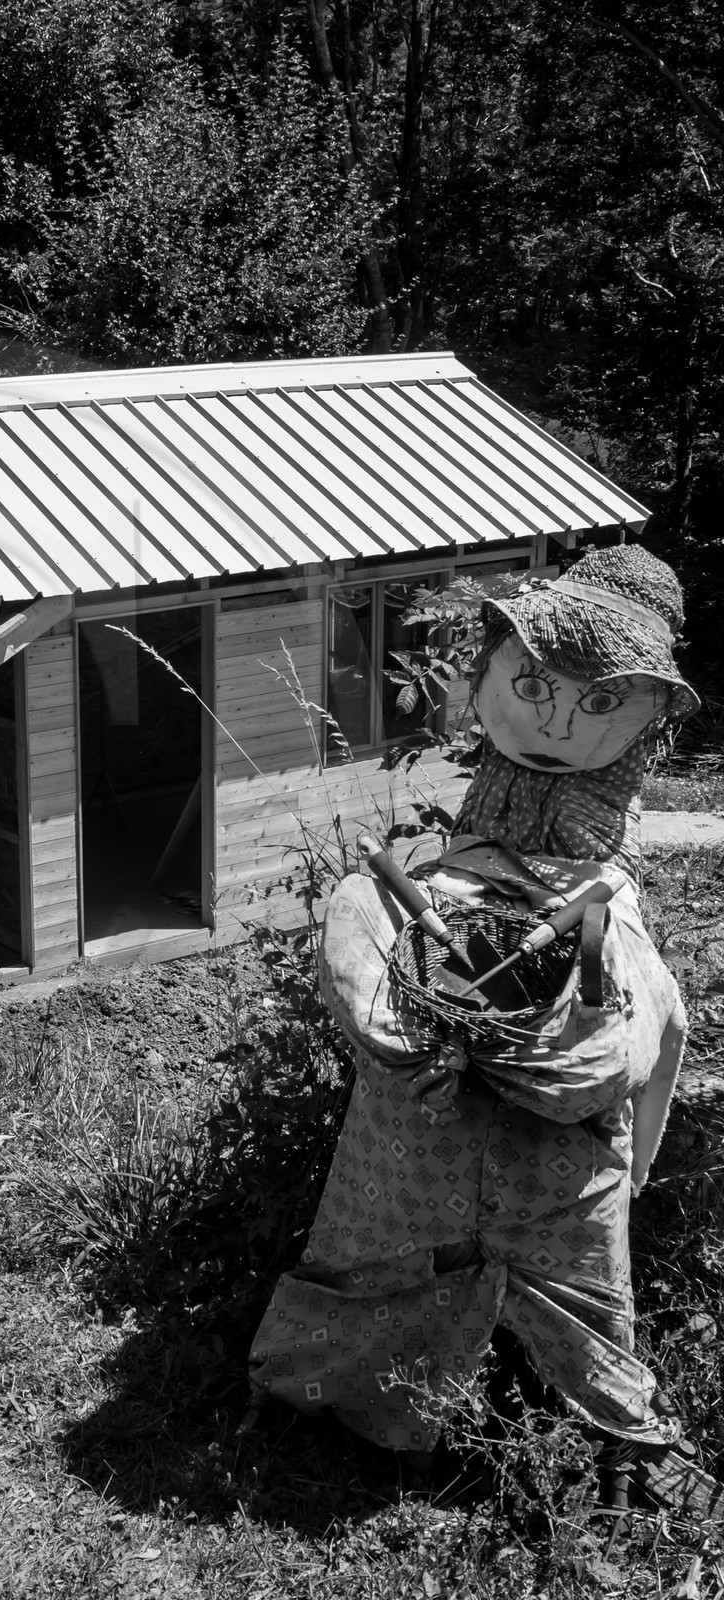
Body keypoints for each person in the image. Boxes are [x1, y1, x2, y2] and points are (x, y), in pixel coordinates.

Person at [247, 545, 721, 1520]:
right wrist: (412, 1026)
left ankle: (594, 1438)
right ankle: (336, 1388)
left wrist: (557, 1055)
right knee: (383, 1240)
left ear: (649, 722)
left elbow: (629, 1024)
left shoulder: (603, 890)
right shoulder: (447, 860)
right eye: (534, 685)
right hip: (420, 1118)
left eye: (598, 704)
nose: (553, 720)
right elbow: (380, 930)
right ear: (491, 671)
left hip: (559, 1135)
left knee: (575, 1261)